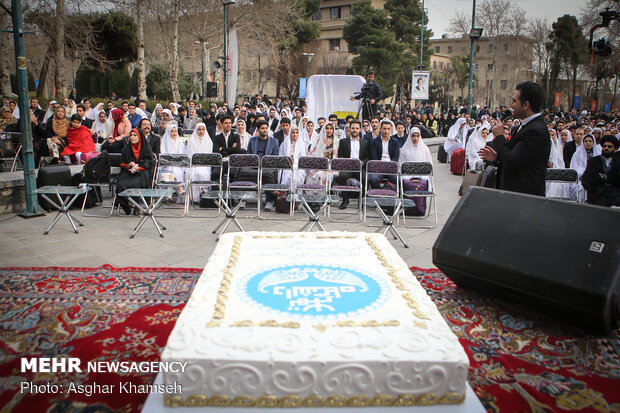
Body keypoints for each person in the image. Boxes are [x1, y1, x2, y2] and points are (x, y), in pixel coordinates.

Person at [478, 81, 551, 196]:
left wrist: (500, 137)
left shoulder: (535, 130)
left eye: (514, 101)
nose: (511, 105)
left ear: (526, 105)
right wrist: (497, 157)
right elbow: (519, 158)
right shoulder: (527, 125)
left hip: (524, 197)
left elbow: (512, 161)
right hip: (515, 196)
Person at [116, 128, 155, 215]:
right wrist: (129, 165)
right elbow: (122, 163)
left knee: (136, 183)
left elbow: (148, 163)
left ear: (140, 137)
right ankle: (126, 206)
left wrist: (138, 167)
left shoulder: (146, 148)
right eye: (131, 135)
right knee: (120, 184)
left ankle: (137, 205)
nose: (132, 137)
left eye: (135, 135)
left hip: (142, 172)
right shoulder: (127, 148)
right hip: (129, 172)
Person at [246, 120, 280, 211]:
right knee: (244, 173)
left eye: (266, 128)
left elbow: (275, 156)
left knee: (269, 175)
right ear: (258, 130)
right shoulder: (252, 140)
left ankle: (269, 201)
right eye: (262, 128)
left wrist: (265, 163)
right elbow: (248, 154)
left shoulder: (274, 141)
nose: (265, 130)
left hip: (267, 166)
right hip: (254, 165)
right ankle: (244, 199)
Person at [337, 120, 369, 210]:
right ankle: (345, 200)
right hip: (347, 167)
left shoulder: (365, 142)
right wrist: (347, 162)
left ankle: (362, 200)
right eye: (353, 128)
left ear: (360, 129)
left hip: (359, 167)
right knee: (342, 176)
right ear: (349, 129)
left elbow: (367, 157)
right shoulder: (343, 141)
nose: (355, 130)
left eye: (357, 128)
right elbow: (340, 155)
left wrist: (362, 162)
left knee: (365, 178)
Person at [581, 136, 619, 206]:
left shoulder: (618, 162)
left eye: (610, 147)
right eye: (604, 146)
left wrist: (605, 177)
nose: (606, 148)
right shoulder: (593, 161)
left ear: (615, 149)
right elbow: (587, 180)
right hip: (597, 193)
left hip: (615, 194)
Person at [186, 123, 213, 203]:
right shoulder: (191, 141)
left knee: (202, 173)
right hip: (193, 165)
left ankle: (202, 193)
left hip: (205, 165)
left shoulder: (209, 141)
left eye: (203, 129)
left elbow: (208, 156)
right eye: (199, 129)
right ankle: (193, 198)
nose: (201, 131)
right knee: (192, 173)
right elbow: (190, 155)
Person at [306, 122, 339, 189]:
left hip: (331, 166)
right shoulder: (318, 140)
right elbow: (313, 154)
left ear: (333, 130)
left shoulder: (337, 141)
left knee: (325, 175)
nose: (329, 130)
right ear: (324, 129)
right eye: (327, 128)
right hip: (318, 165)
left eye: (331, 128)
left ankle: (325, 195)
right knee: (316, 175)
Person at [369, 120, 400, 189]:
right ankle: (380, 194)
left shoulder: (395, 142)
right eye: (384, 128)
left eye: (388, 129)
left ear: (391, 130)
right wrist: (380, 166)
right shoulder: (374, 141)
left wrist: (390, 166)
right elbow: (373, 157)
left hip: (391, 168)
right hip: (378, 168)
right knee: (373, 179)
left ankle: (392, 192)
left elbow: (395, 157)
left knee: (399, 180)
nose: (386, 131)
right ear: (380, 129)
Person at [159, 124, 187, 201]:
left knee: (174, 171)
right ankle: (179, 188)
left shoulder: (180, 142)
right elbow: (163, 154)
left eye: (175, 131)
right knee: (170, 171)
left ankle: (169, 195)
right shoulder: (164, 141)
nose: (174, 133)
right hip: (167, 164)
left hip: (178, 164)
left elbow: (183, 154)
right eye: (172, 131)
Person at [279, 124, 308, 189]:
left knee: (295, 172)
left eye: (296, 133)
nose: (295, 134)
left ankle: (295, 192)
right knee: (288, 173)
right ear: (290, 133)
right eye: (293, 132)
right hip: (286, 165)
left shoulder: (303, 144)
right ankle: (286, 192)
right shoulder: (284, 144)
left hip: (299, 166)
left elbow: (304, 159)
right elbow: (281, 156)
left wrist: (295, 162)